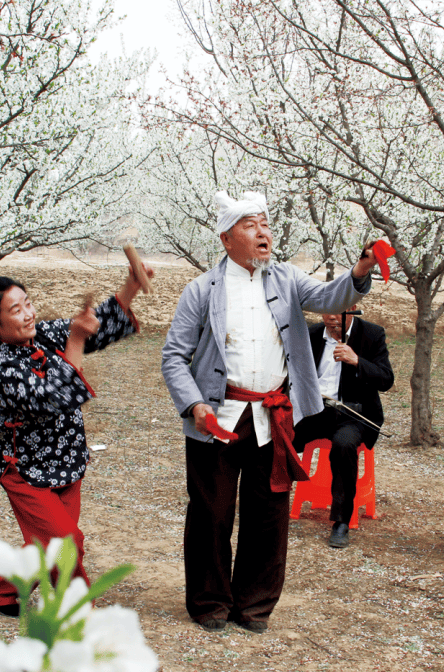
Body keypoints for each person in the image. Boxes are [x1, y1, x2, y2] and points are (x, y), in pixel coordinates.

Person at [161, 190, 378, 633]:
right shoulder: (202, 290)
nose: (263, 233)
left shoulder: (285, 278)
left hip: (274, 414)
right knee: (212, 511)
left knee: (270, 510)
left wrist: (360, 269)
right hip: (218, 417)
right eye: (250, 225)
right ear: (226, 238)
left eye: (265, 224)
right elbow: (173, 356)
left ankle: (254, 606)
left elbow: (330, 296)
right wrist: (195, 403)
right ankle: (210, 603)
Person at [0, 267, 151, 616]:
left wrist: (129, 288)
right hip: (24, 469)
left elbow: (89, 328)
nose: (29, 314)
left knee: (46, 544)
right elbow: (53, 397)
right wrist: (77, 341)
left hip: (66, 459)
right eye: (16, 310)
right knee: (66, 543)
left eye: (28, 303)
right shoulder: (1, 369)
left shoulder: (41, 335)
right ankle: (76, 612)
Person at [292, 312, 394, 548]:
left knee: (344, 445)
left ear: (353, 307)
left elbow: (386, 380)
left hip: (353, 414)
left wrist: (357, 360)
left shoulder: (371, 334)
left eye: (338, 310)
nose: (331, 316)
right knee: (280, 434)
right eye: (326, 310)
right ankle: (270, 500)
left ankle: (341, 520)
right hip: (315, 411)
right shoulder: (312, 333)